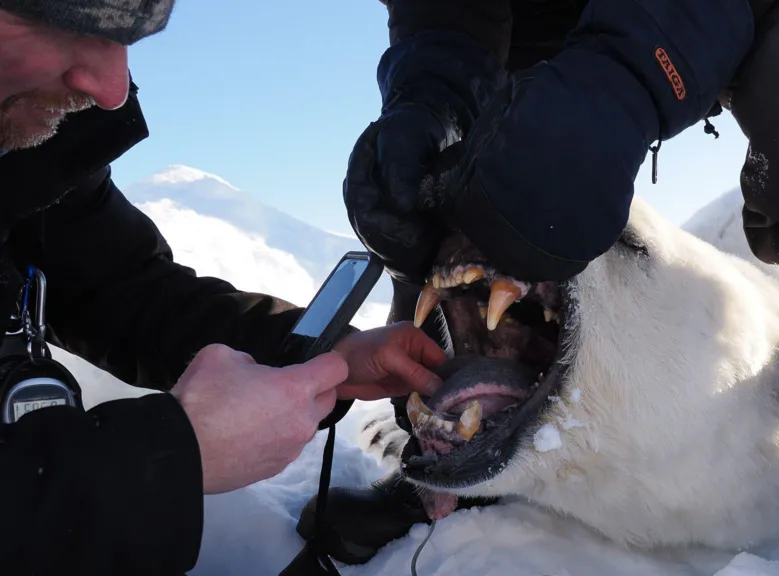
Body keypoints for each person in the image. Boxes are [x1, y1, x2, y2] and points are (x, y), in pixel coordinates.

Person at [322, 0, 779, 574]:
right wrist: (433, 97)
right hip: (548, 19)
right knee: (468, 183)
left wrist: (622, 79)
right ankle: (461, 435)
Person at [0, 2, 449, 574]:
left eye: (128, 40)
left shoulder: (25, 156)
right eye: (65, 25)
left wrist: (316, 353)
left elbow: (124, 291)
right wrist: (163, 459)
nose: (113, 89)